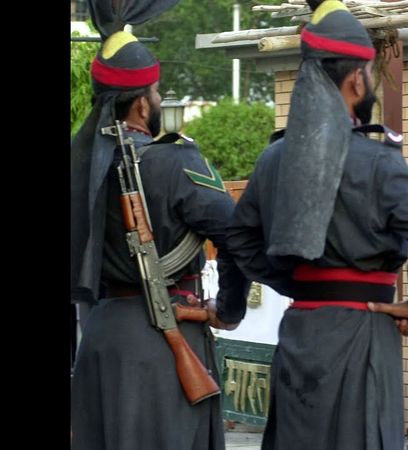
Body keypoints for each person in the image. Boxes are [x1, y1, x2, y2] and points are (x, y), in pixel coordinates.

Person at [225, 1, 408, 449]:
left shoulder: (273, 159)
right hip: (361, 330)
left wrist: (297, 284)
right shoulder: (375, 160)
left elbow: (239, 239)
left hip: (299, 329)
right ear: (356, 79)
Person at [70, 29, 249, 449]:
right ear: (140, 103)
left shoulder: (78, 170)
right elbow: (238, 238)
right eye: (156, 91)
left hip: (98, 339)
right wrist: (226, 310)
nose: (158, 99)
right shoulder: (175, 159)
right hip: (163, 340)